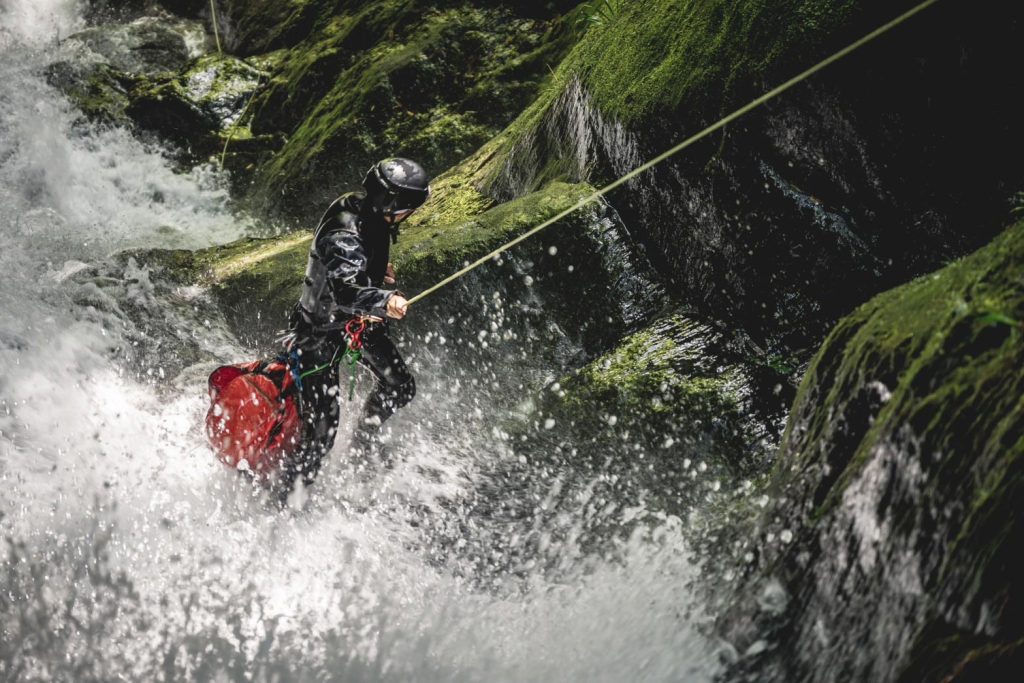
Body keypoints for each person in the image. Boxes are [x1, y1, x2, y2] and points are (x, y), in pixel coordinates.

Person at [280, 157, 430, 493]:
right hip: (319, 333)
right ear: (390, 204)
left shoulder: (370, 214)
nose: (410, 215)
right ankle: (290, 496)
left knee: (399, 385)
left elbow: (356, 266)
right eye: (408, 208)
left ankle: (363, 445)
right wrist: (384, 299)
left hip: (357, 326)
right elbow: (345, 290)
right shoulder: (343, 231)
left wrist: (377, 273)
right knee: (323, 429)